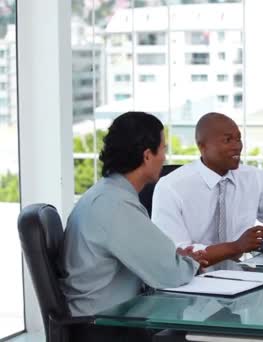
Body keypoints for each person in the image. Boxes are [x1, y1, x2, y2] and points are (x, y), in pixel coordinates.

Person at [61, 112, 206, 321]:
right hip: (103, 325)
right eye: (163, 149)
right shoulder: (114, 205)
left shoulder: (108, 194)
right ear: (147, 155)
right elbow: (170, 275)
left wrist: (176, 260)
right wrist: (187, 264)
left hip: (103, 316)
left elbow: (154, 260)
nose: (164, 157)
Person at [152, 112, 263, 265]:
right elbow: (175, 254)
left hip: (243, 275)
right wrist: (235, 247)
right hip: (193, 279)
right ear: (202, 146)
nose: (237, 147)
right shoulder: (171, 186)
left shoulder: (253, 177)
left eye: (239, 139)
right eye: (228, 140)